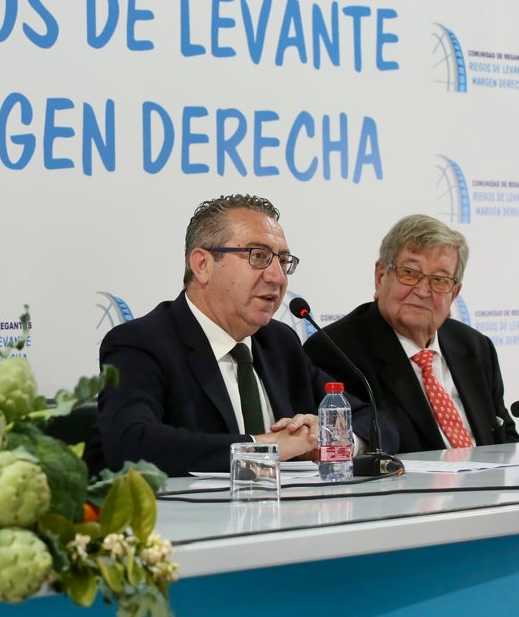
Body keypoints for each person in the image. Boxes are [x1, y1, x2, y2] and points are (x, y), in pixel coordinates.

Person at [89, 193, 375, 477]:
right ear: (202, 265)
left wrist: (332, 437)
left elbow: (373, 419)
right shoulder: (141, 343)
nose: (277, 276)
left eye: (283, 260)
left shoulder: (279, 342)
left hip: (291, 517)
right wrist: (263, 446)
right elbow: (130, 443)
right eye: (258, 256)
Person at [304, 214, 519, 454]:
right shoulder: (336, 351)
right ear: (380, 276)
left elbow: (506, 439)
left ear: (454, 293)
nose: (423, 290)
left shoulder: (475, 347)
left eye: (439, 280)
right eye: (409, 273)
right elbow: (360, 445)